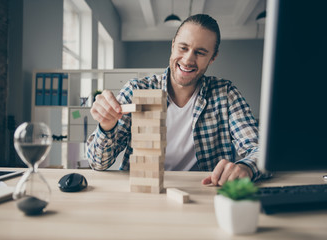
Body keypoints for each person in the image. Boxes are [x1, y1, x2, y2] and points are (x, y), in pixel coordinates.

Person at [86, 14, 261, 186]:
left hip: (203, 194)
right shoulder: (137, 90)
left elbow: (259, 150)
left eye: (200, 52)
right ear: (173, 46)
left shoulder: (225, 95)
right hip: (143, 195)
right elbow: (98, 163)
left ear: (212, 57)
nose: (188, 59)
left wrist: (247, 167)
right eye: (183, 48)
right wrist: (106, 126)